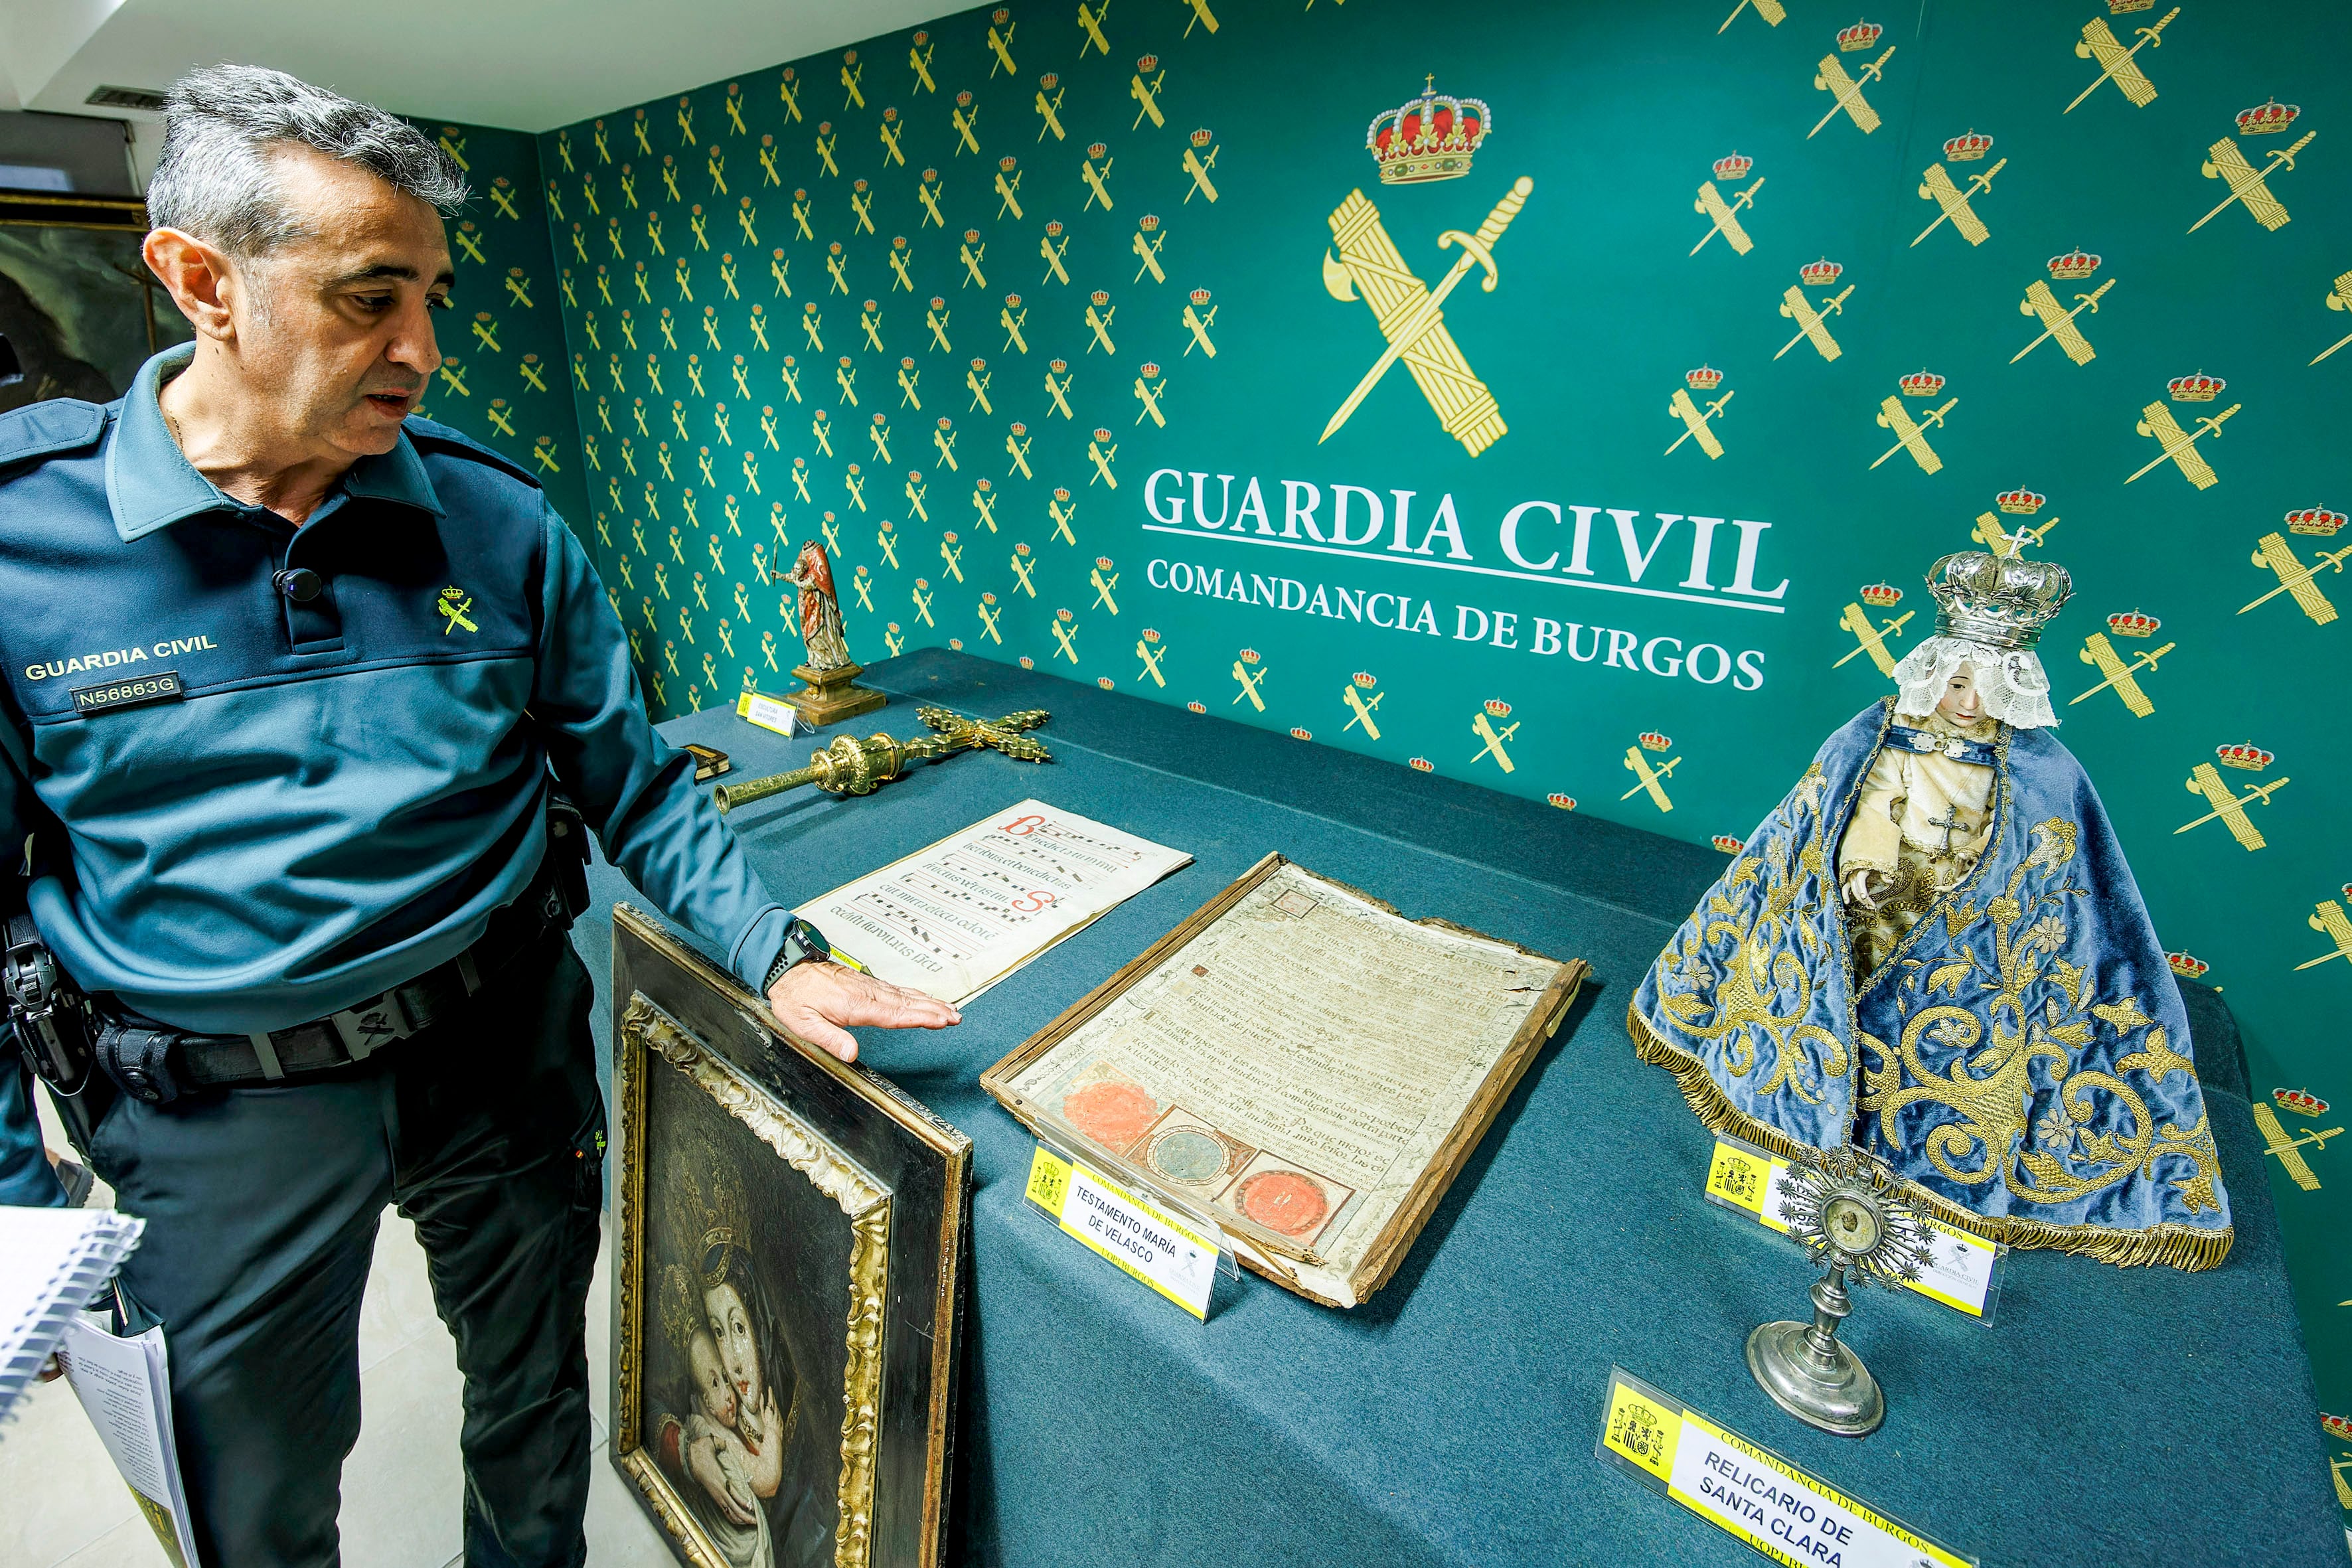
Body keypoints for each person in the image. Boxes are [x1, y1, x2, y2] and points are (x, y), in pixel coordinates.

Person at [0, 65, 956, 1566]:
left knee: (534, 1405)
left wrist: (775, 952)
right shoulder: (23, 547)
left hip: (497, 1050)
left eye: (433, 297)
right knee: (251, 1497)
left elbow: (634, 778)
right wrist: (23, 1217)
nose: (422, 349)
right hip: (220, 1109)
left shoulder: (499, 521)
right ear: (202, 282)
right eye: (369, 298)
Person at [1629, 544, 2235, 1269]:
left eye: (1984, 687)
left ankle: (1916, 1134)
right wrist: (1859, 864)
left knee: (1947, 1018)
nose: (1968, 702)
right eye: (1956, 683)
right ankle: (1813, 1093)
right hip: (1875, 899)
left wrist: (1985, 891)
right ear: (1933, 672)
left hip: (1969, 926)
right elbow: (1845, 804)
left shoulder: (2046, 770)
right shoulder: (1881, 732)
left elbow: (2059, 872)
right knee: (1839, 988)